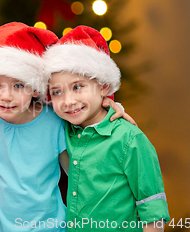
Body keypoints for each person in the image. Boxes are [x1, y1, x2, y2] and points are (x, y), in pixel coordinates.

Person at [43, 25, 170, 232]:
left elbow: (152, 208)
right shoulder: (63, 130)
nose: (68, 101)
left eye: (77, 87)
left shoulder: (129, 139)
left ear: (103, 86)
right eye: (57, 92)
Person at [0, 22, 69, 231]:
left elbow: (78, 178)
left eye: (18, 85)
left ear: (35, 88)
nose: (6, 96)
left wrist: (110, 105)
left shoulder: (55, 121)